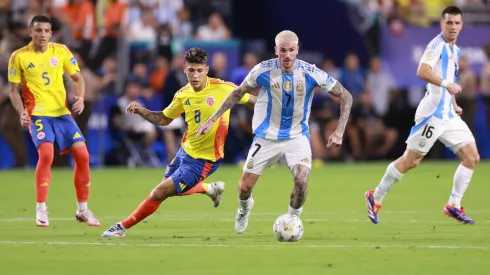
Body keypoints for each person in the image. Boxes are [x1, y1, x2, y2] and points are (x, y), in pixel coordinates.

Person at [197, 30, 354, 234]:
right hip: (266, 137)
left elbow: (346, 96)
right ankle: (244, 209)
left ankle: (293, 220)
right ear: (276, 51)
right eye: (282, 51)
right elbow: (238, 93)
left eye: (291, 50)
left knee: (301, 180)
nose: (287, 55)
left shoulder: (310, 72)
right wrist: (213, 119)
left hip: (297, 136)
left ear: (297, 50)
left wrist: (339, 131)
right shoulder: (262, 70)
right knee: (244, 187)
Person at [101, 48, 257, 237]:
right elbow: (165, 119)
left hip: (204, 160)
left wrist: (277, 107)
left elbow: (251, 100)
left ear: (207, 70)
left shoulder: (223, 88)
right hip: (185, 152)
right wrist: (141, 111)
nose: (196, 75)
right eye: (191, 70)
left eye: (200, 70)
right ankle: (210, 189)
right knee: (170, 189)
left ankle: (121, 227)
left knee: (159, 192)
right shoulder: (182, 94)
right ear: (185, 70)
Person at [365, 6, 480, 225]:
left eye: (457, 23)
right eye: (449, 23)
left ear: (462, 25)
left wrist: (453, 103)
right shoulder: (436, 45)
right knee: (411, 161)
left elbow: (448, 79)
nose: (453, 27)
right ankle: (375, 196)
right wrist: (447, 84)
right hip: (432, 115)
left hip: (448, 114)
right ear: (441, 24)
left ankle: (453, 205)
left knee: (472, 157)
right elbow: (422, 71)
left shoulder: (455, 51)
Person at [7, 15, 99, 227]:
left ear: (51, 33)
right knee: (47, 154)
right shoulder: (18, 57)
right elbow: (13, 90)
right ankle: (41, 209)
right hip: (37, 113)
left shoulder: (61, 51)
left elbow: (78, 78)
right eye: (38, 30)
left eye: (46, 31)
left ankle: (83, 210)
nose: (42, 35)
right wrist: (21, 111)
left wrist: (81, 97)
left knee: (83, 155)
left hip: (61, 113)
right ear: (30, 32)